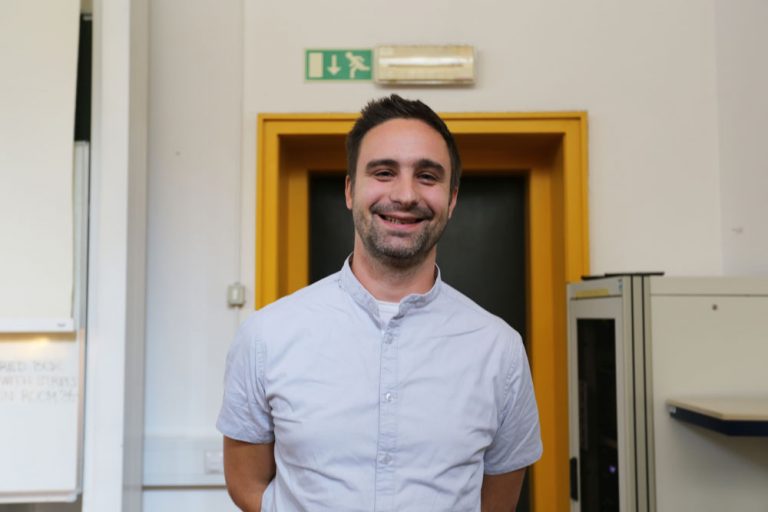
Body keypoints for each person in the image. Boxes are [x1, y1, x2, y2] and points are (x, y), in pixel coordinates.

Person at [217, 94, 542, 512]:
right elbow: (246, 485)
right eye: (384, 172)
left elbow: (497, 500)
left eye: (427, 176)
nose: (405, 194)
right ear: (350, 190)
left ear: (452, 199)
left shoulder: (500, 350)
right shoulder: (266, 336)